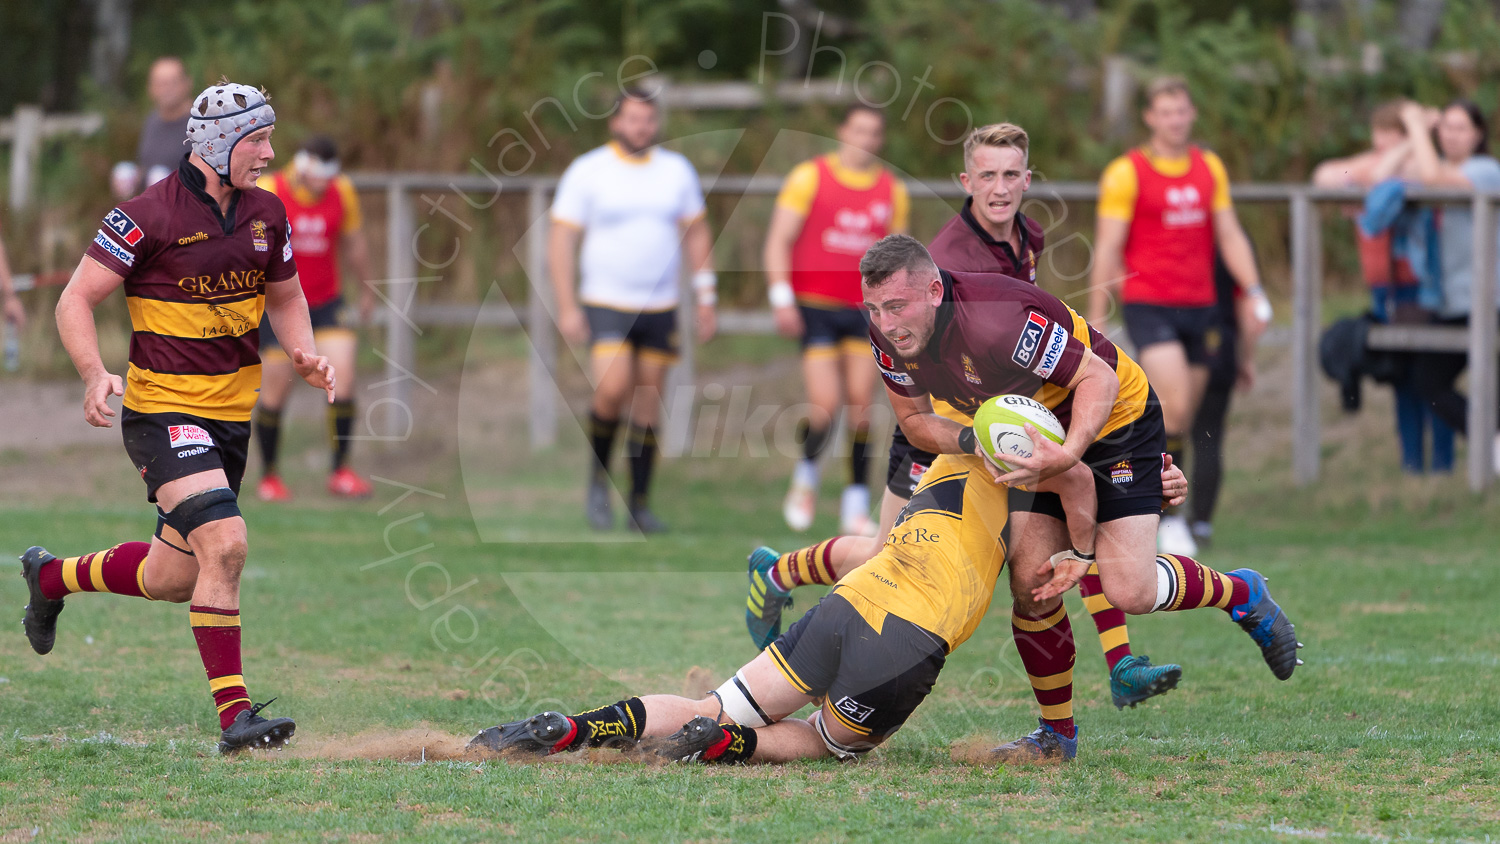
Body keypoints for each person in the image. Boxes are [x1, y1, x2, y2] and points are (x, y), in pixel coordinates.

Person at [746, 124, 1185, 712]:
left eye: (1010, 175)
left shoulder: (1027, 235)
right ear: (966, 182)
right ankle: (777, 575)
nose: (999, 188)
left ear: (1027, 180)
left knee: (1068, 512)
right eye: (987, 176)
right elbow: (933, 388)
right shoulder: (948, 261)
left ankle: (1120, 660)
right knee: (887, 556)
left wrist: (1124, 452)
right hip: (946, 420)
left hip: (992, 415)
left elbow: (1038, 344)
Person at [865, 235, 1298, 762]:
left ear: (934, 291)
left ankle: (1241, 593)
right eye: (874, 309)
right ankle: (1057, 737)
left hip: (1115, 420)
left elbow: (1099, 376)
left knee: (1129, 590)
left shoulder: (999, 320)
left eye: (896, 307)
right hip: (1039, 439)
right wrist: (973, 442)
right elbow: (913, 421)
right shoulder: (890, 335)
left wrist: (1068, 455)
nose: (886, 323)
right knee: (1033, 585)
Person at [19, 81, 331, 754]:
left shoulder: (266, 214)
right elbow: (73, 301)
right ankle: (236, 718)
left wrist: (303, 351)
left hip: (230, 420)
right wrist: (93, 372)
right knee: (226, 543)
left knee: (175, 577)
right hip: (162, 413)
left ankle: (50, 577)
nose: (269, 153)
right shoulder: (144, 216)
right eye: (257, 141)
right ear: (218, 146)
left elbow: (286, 297)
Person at [469, 449, 1013, 765]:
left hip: (848, 602)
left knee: (715, 702)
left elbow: (865, 547)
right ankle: (732, 745)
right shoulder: (1034, 487)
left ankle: (573, 727)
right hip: (907, 642)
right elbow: (1038, 582)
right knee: (828, 741)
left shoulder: (943, 445)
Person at [1087, 76, 1271, 556]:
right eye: (1165, 111)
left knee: (1182, 422)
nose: (1175, 119)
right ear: (1150, 117)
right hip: (1149, 303)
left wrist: (1251, 291)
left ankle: (1164, 507)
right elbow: (1108, 247)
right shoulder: (1127, 172)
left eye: (1181, 110)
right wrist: (1096, 319)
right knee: (1173, 407)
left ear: (1191, 114)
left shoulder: (1209, 167)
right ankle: (1163, 518)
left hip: (1202, 307)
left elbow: (1229, 234)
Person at [550, 87, 717, 533]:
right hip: (606, 302)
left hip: (660, 306)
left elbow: (697, 232)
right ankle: (597, 483)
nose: (641, 127)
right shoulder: (589, 171)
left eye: (648, 120)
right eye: (632, 119)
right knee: (611, 388)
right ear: (615, 123)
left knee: (647, 404)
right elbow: (561, 239)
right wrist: (567, 304)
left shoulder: (675, 171)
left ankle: (639, 505)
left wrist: (706, 293)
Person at [766, 104, 909, 535]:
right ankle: (805, 480)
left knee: (861, 407)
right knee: (825, 404)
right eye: (857, 129)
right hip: (816, 306)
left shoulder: (891, 190)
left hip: (863, 312)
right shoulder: (810, 177)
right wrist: (781, 297)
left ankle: (855, 504)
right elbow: (778, 240)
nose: (864, 139)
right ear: (842, 131)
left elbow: (896, 258)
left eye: (873, 133)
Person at [1312, 101, 1453, 475]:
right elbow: (1326, 176)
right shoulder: (1380, 163)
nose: (1380, 145)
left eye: (1389, 135)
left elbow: (1386, 176)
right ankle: (1411, 464)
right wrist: (1405, 139)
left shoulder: (1419, 166)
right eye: (1377, 137)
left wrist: (1414, 138)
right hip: (1385, 291)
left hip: (1421, 289)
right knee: (1400, 377)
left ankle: (1442, 466)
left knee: (1430, 377)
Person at [253, 136, 375, 500]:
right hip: (278, 307)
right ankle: (270, 475)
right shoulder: (270, 189)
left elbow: (354, 242)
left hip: (325, 303)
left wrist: (367, 289)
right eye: (319, 174)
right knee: (276, 387)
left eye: (330, 175)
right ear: (303, 165)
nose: (325, 183)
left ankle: (340, 471)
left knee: (344, 378)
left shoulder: (342, 191)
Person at [1391, 100, 1500, 455]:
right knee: (1428, 382)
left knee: (1493, 388)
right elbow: (1375, 178)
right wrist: (1413, 134)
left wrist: (1418, 128)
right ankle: (1491, 445)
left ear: (1478, 134)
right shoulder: (1430, 163)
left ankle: (1490, 453)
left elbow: (1436, 182)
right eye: (1446, 127)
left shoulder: (1485, 170)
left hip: (1489, 298)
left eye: (1460, 128)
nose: (1451, 135)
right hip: (1449, 300)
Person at [137, 57, 195, 189]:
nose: (166, 90)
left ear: (188, 83)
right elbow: (145, 166)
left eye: (172, 83)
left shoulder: (202, 123)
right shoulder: (151, 122)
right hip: (155, 206)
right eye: (160, 84)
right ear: (150, 88)